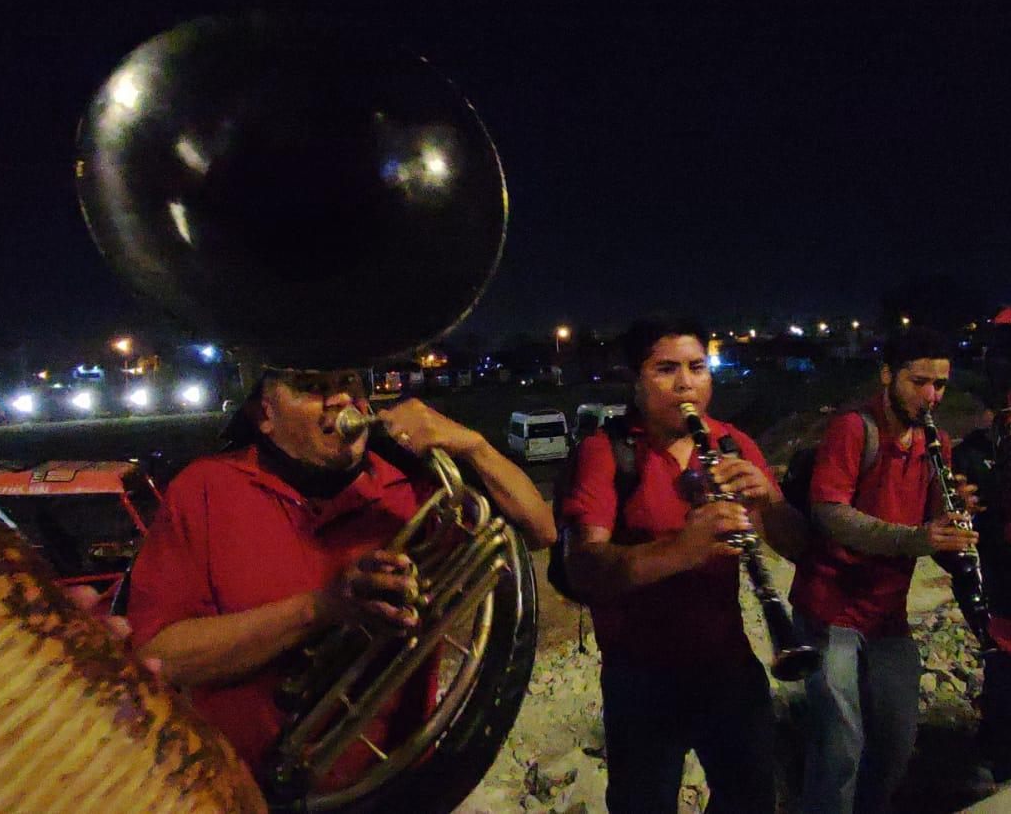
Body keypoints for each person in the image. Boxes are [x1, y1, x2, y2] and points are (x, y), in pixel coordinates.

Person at [126, 367, 554, 793]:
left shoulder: (409, 486)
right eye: (312, 388)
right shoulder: (206, 487)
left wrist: (473, 445)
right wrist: (322, 608)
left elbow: (539, 529)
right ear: (265, 415)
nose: (340, 401)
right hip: (240, 792)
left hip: (397, 787)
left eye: (348, 384)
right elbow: (160, 656)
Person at [559, 316, 795, 814]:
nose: (687, 384)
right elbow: (586, 570)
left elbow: (798, 547)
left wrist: (769, 502)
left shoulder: (732, 443)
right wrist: (686, 548)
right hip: (642, 678)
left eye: (697, 367)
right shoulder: (606, 453)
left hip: (728, 666)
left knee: (752, 798)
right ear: (636, 379)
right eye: (666, 369)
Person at [789, 327, 978, 814]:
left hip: (885, 614)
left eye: (940, 385)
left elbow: (933, 533)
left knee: (895, 741)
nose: (931, 396)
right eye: (919, 382)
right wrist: (917, 537)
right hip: (831, 609)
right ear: (888, 375)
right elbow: (830, 512)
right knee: (839, 748)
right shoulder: (854, 428)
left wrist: (957, 528)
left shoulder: (936, 444)